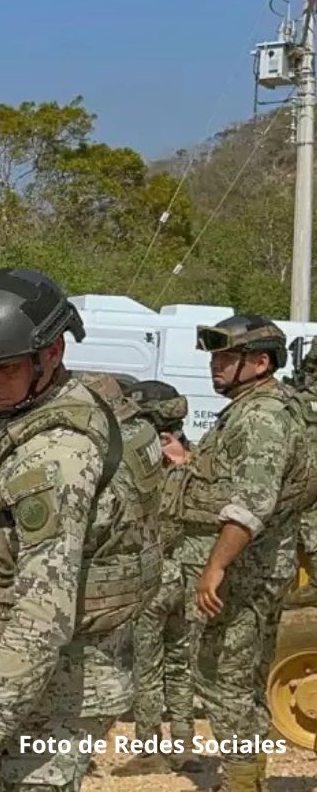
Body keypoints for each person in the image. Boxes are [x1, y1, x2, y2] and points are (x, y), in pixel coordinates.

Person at [0, 269, 161, 792]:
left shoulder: (55, 455)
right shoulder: (74, 399)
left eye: (4, 369)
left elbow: (42, 614)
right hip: (53, 679)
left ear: (52, 353)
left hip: (55, 690)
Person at [171, 315, 313, 791]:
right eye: (215, 356)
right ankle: (245, 775)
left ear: (260, 362)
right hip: (249, 569)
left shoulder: (261, 416)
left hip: (242, 573)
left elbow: (253, 501)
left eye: (227, 357)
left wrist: (215, 566)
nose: (216, 365)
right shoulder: (254, 409)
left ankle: (241, 780)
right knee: (240, 679)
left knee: (220, 679)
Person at [110, 379, 203, 777]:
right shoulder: (197, 457)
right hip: (194, 575)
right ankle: (183, 746)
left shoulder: (139, 456)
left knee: (147, 666)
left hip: (155, 576)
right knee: (181, 663)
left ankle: (149, 749)